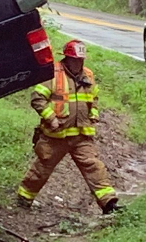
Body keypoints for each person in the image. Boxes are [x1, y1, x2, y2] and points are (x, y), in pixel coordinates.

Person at [17, 39, 122, 214]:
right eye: (75, 60)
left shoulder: (87, 74)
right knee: (42, 168)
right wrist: (51, 118)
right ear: (67, 58)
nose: (78, 63)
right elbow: (37, 99)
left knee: (94, 166)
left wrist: (94, 114)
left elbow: (93, 98)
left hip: (81, 135)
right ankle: (24, 199)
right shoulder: (53, 74)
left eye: (81, 60)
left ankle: (109, 204)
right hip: (55, 136)